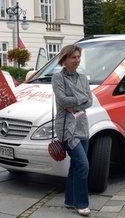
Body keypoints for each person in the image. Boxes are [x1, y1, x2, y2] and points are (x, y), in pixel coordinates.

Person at [52, 44, 93, 217]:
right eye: (73, 57)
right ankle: (81, 203)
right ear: (65, 59)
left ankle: (70, 200)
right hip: (67, 128)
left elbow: (90, 101)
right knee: (83, 164)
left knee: (76, 165)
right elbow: (62, 100)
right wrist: (81, 99)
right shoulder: (58, 78)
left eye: (78, 57)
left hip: (82, 125)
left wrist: (74, 103)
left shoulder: (83, 78)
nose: (77, 60)